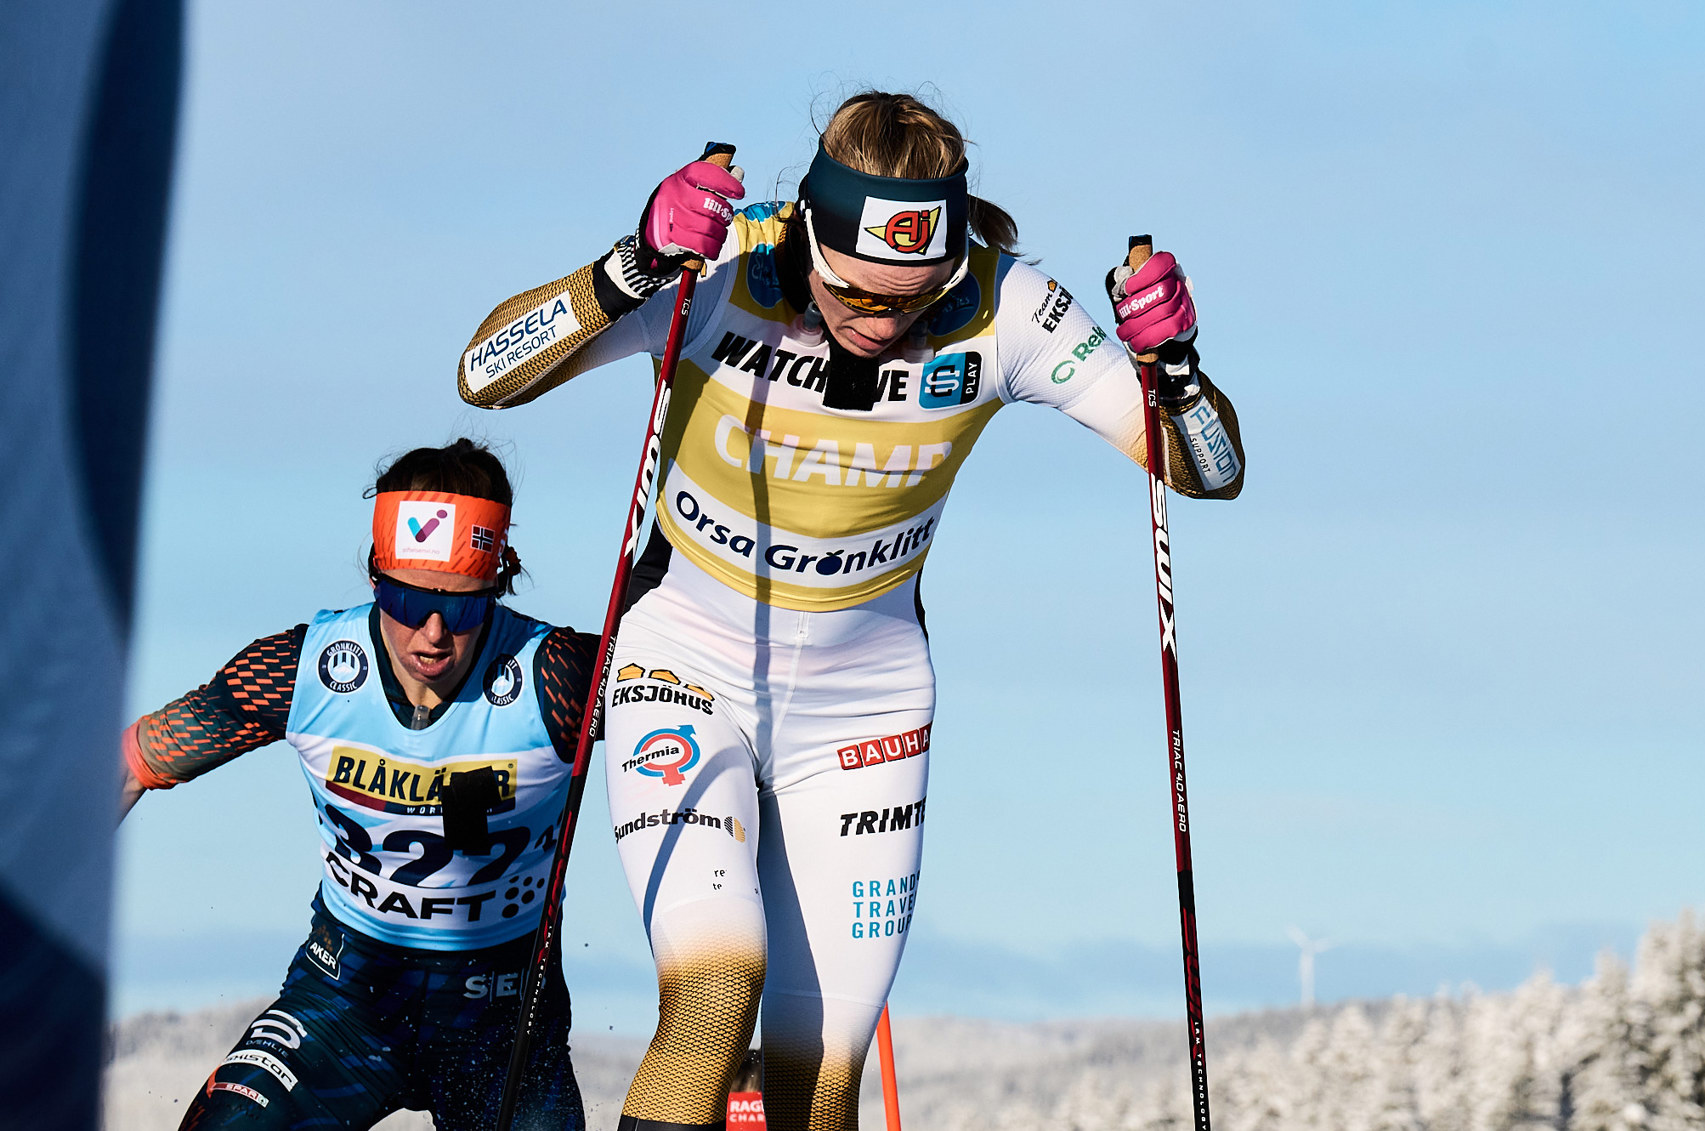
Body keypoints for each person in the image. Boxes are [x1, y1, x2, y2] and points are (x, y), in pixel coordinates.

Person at [454, 90, 1246, 1131]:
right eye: (857, 295)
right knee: (711, 997)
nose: (882, 327)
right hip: (684, 666)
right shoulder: (726, 264)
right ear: (809, 237)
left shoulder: (1008, 308)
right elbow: (484, 376)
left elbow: (1205, 471)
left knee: (818, 1074)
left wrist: (1177, 375)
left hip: (865, 709)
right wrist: (629, 270)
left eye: (915, 301)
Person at [124, 440, 596, 1130]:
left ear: (499, 585)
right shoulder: (303, 671)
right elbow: (132, 761)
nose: (433, 633)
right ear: (375, 577)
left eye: (463, 609)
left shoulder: (554, 676)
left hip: (501, 1019)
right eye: (409, 599)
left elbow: (707, 703)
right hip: (347, 999)